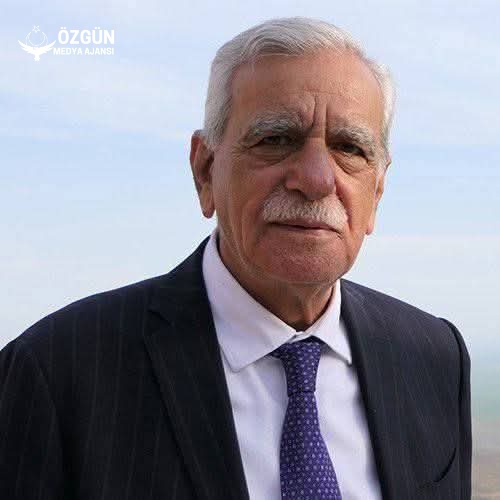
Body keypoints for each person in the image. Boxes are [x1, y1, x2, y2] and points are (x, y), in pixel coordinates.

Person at [0, 16, 471, 500]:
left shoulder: (435, 358)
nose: (316, 180)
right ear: (205, 171)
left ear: (378, 190)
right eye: (276, 140)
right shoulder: (56, 372)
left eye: (349, 148)